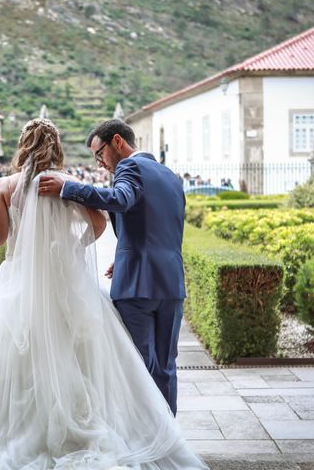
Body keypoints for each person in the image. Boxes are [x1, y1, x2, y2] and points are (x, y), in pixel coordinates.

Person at [0, 118, 207, 470]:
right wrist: (69, 248)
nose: (99, 160)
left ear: (23, 145)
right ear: (56, 146)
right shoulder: (72, 182)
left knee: (10, 361)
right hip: (90, 282)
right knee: (141, 363)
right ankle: (160, 431)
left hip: (19, 283)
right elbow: (99, 225)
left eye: (99, 153)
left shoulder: (7, 185)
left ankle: (23, 433)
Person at [39, 119, 186, 416]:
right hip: (171, 284)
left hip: (137, 286)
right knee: (167, 366)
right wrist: (124, 255)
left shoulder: (129, 168)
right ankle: (170, 433)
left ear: (117, 142)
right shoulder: (170, 176)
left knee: (138, 365)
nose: (100, 163)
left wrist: (70, 188)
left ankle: (148, 434)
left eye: (99, 154)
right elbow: (161, 228)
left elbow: (120, 200)